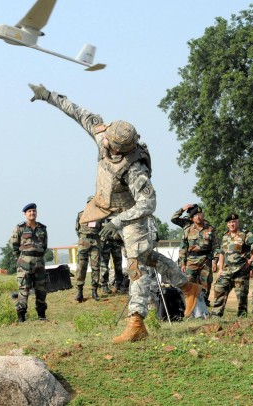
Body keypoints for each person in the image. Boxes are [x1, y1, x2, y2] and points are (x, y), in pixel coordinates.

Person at [28, 83, 203, 343]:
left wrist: (120, 220)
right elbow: (77, 112)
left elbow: (148, 203)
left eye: (113, 148)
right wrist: (48, 96)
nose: (107, 148)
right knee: (147, 257)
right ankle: (188, 286)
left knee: (136, 265)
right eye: (107, 143)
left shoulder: (135, 169)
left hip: (133, 215)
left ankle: (137, 322)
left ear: (124, 149)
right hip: (106, 206)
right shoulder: (102, 135)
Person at [172, 204, 218, 306]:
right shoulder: (187, 227)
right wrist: (183, 263)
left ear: (203, 215)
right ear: (191, 217)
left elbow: (216, 246)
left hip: (206, 260)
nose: (198, 216)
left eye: (200, 214)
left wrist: (215, 260)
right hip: (191, 260)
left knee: (206, 284)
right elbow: (183, 247)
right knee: (189, 283)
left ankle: (204, 305)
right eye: (195, 215)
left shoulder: (210, 228)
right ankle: (189, 305)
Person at [9, 203, 48, 322]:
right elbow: (13, 245)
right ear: (25, 214)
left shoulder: (42, 228)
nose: (32, 213)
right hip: (24, 263)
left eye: (34, 211)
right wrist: (20, 258)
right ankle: (21, 316)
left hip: (39, 263)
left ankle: (41, 315)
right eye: (29, 211)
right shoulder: (19, 228)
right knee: (24, 289)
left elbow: (45, 245)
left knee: (41, 289)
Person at [212, 213, 251, 317]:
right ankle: (216, 315)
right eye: (229, 222)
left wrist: (251, 260)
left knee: (241, 295)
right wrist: (220, 269)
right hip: (226, 271)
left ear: (238, 222)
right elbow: (221, 252)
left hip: (240, 271)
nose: (232, 224)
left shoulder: (245, 234)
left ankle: (242, 316)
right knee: (219, 289)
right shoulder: (225, 236)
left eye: (234, 222)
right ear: (227, 225)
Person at [75, 197, 103, 302]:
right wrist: (83, 238)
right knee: (81, 267)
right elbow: (77, 229)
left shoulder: (100, 216)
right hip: (83, 241)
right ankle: (79, 291)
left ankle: (94, 290)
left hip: (95, 241)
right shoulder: (80, 214)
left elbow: (101, 229)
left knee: (96, 266)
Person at [99, 226, 125, 294]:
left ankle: (119, 284)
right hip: (104, 241)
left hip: (116, 240)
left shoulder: (117, 215)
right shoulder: (101, 215)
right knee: (104, 264)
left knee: (118, 264)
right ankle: (104, 285)